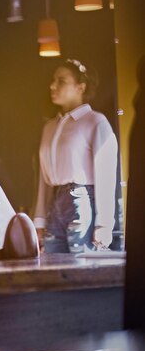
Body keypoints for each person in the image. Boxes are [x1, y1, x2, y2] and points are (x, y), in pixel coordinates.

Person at [33, 59, 118, 253]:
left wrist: (104, 223)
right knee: (52, 265)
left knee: (82, 264)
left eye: (61, 81)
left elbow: (105, 176)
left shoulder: (95, 122)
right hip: (55, 204)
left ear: (81, 86)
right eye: (53, 80)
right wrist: (39, 218)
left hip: (81, 200)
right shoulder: (49, 127)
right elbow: (42, 179)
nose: (52, 86)